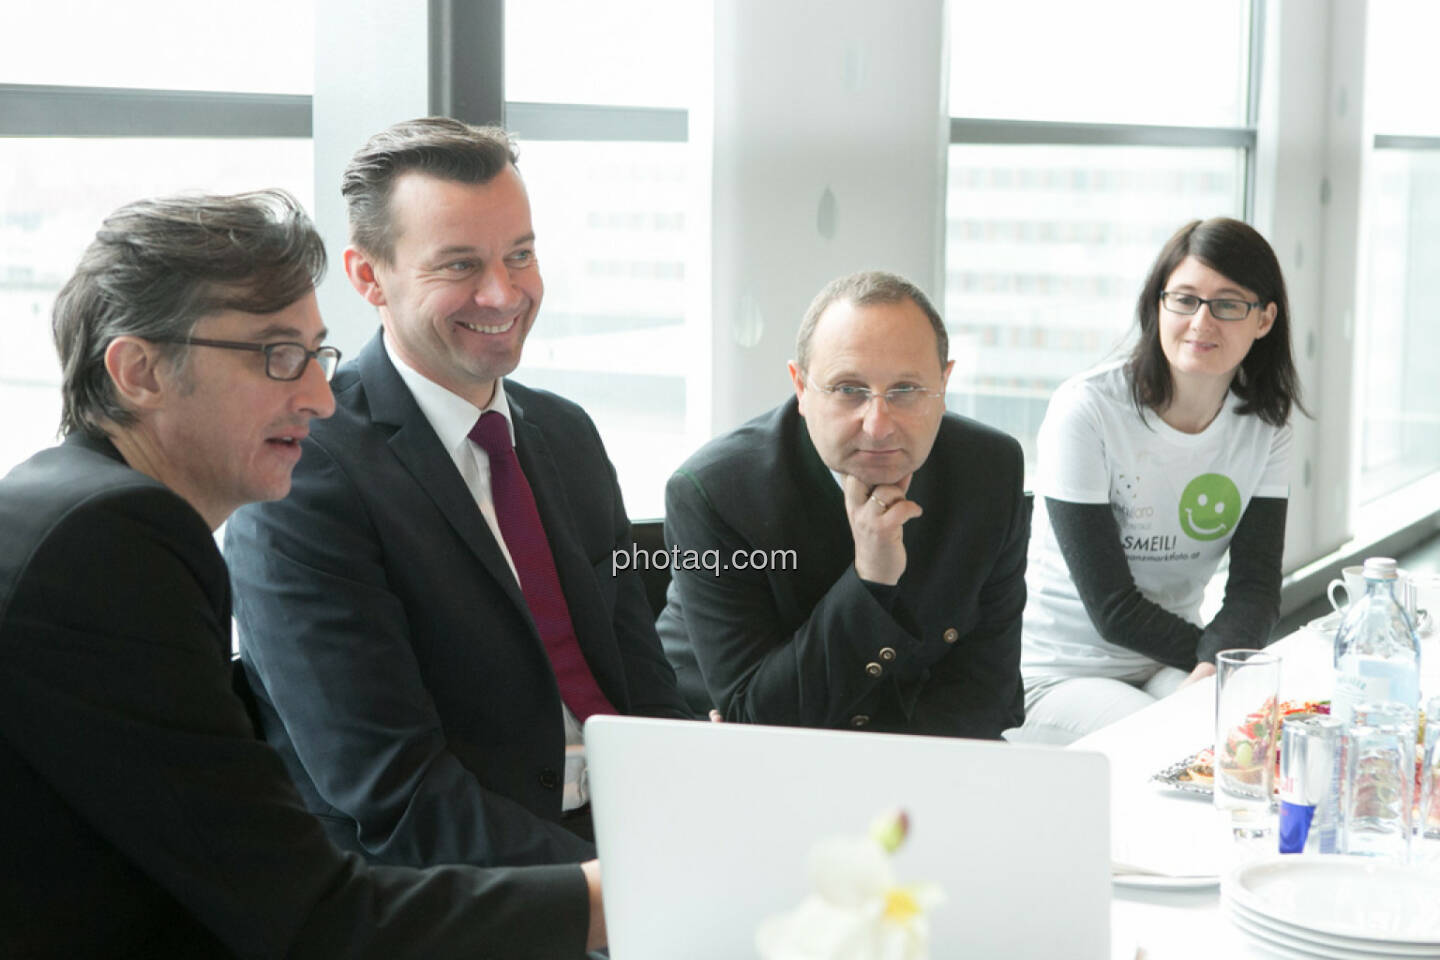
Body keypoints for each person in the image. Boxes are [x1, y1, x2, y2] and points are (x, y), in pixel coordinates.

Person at [0, 190, 603, 957]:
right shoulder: (111, 542)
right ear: (139, 370)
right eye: (278, 357)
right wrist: (601, 897)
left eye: (318, 356)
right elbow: (306, 913)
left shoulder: (74, 508)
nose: (320, 399)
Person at [224, 118, 691, 872]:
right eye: (460, 265)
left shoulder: (565, 435)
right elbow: (395, 795)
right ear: (369, 277)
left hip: (630, 843)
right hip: (462, 891)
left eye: (521, 255)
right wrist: (617, 893)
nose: (503, 293)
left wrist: (705, 823)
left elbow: (643, 685)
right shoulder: (304, 474)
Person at [656, 270, 1028, 736]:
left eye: (906, 390)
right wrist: (870, 580)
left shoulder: (990, 469)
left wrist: (888, 777)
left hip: (912, 767)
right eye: (849, 390)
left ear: (944, 383)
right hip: (721, 757)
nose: (877, 424)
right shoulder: (715, 493)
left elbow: (989, 695)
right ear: (801, 388)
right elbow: (759, 720)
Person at [1011, 217, 1300, 745]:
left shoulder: (1265, 426)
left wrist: (1217, 665)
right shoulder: (1087, 411)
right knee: (1180, 740)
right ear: (1158, 305)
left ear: (1264, 320)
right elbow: (1112, 609)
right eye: (1185, 299)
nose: (1201, 322)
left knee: (1257, 737)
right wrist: (1219, 660)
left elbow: (1256, 588)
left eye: (1228, 303)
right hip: (1057, 673)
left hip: (1165, 661)